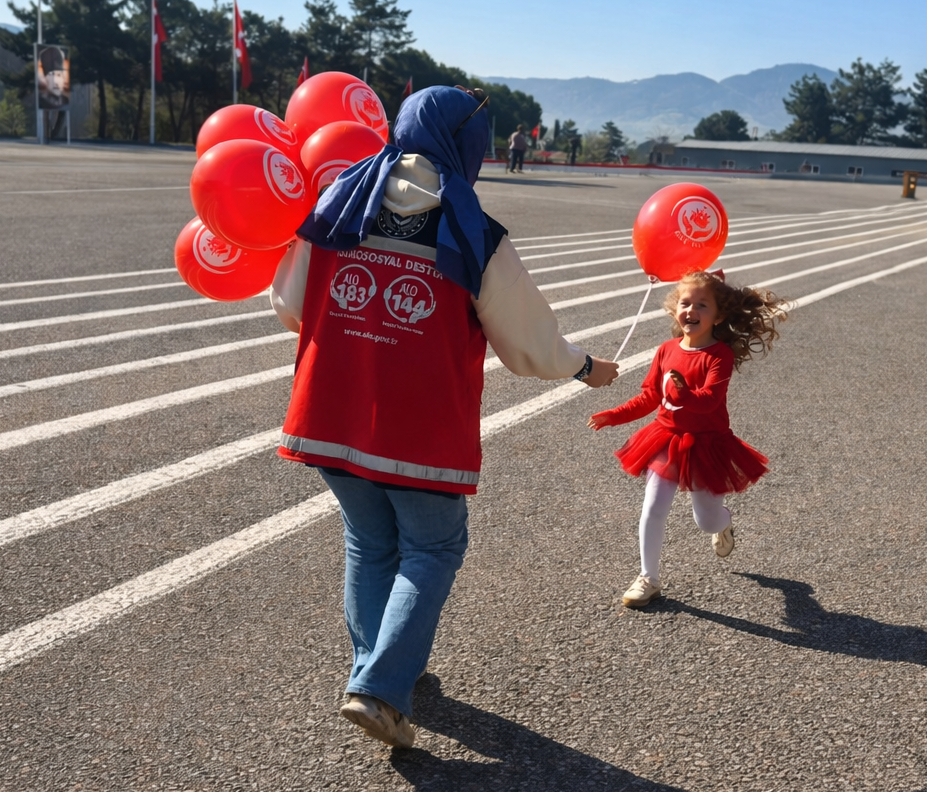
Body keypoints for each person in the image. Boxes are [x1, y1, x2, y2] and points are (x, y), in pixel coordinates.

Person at [270, 85, 620, 749]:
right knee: (433, 547)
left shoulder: (338, 201)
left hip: (329, 413)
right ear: (469, 146)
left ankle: (379, 670)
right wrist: (583, 367)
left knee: (369, 544)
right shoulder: (472, 230)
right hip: (419, 428)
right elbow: (528, 341)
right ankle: (380, 688)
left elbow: (289, 304)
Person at [587, 271, 787, 608]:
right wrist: (614, 415)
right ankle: (648, 578)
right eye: (685, 303)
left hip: (708, 443)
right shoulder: (666, 350)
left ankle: (723, 524)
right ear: (674, 309)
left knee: (705, 520)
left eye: (702, 305)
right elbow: (650, 397)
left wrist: (683, 394)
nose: (691, 310)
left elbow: (709, 399)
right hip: (666, 438)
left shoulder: (718, 355)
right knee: (652, 507)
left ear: (718, 316)